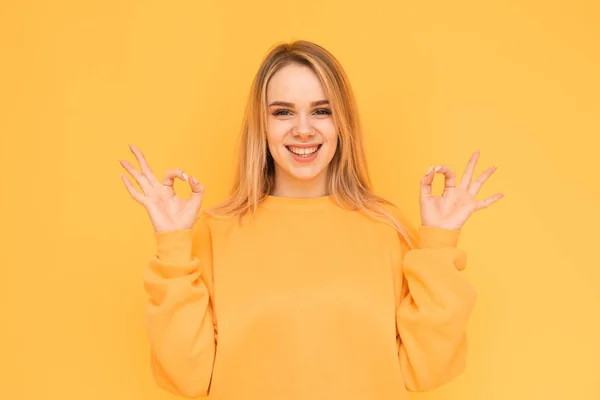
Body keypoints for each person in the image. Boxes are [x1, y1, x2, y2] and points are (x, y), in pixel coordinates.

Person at [120, 40, 504, 399]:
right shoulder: (215, 232)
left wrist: (439, 245)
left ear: (343, 124)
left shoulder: (387, 227)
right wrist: (172, 244)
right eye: (283, 112)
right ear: (262, 126)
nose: (303, 129)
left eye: (321, 111)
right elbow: (190, 377)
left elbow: (426, 369)